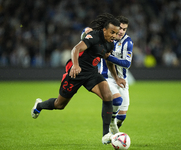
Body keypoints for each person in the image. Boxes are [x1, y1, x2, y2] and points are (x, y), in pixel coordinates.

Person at [31, 13, 126, 145]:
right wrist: (75, 65)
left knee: (107, 95)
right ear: (104, 30)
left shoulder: (110, 44)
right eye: (112, 32)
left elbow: (108, 60)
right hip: (75, 74)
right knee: (60, 104)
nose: (114, 36)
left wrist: (116, 78)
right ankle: (39, 105)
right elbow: (76, 49)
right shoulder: (93, 37)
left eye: (116, 33)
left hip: (92, 74)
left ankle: (106, 134)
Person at [82, 16, 134, 134]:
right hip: (107, 77)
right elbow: (88, 31)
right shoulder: (107, 37)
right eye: (120, 28)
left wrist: (108, 56)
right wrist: (85, 31)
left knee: (121, 118)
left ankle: (113, 134)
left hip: (121, 79)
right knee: (116, 101)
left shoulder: (128, 43)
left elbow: (126, 64)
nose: (121, 31)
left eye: (124, 29)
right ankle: (109, 127)